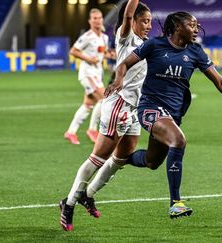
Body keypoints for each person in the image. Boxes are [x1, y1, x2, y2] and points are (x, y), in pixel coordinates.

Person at [83, 11, 222, 220]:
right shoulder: (154, 45)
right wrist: (119, 79)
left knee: (152, 161)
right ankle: (175, 203)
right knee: (178, 140)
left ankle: (121, 156)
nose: (196, 29)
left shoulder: (196, 52)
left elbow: (221, 83)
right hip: (149, 108)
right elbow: (125, 63)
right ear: (178, 27)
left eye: (197, 25)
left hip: (172, 115)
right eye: (192, 25)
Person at [59, 0, 152, 231]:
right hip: (119, 105)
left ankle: (87, 194)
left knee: (122, 158)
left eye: (150, 21)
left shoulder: (144, 43)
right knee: (98, 157)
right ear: (132, 21)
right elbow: (128, 15)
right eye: (145, 21)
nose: (149, 25)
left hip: (132, 109)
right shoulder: (127, 36)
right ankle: (68, 203)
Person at [64, 8, 111, 145]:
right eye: (94, 18)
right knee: (104, 99)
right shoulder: (87, 37)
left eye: (99, 17)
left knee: (87, 105)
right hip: (87, 74)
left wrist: (113, 55)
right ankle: (92, 130)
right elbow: (73, 51)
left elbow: (103, 53)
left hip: (97, 75)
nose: (97, 20)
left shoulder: (104, 37)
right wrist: (88, 59)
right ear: (90, 21)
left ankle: (71, 132)